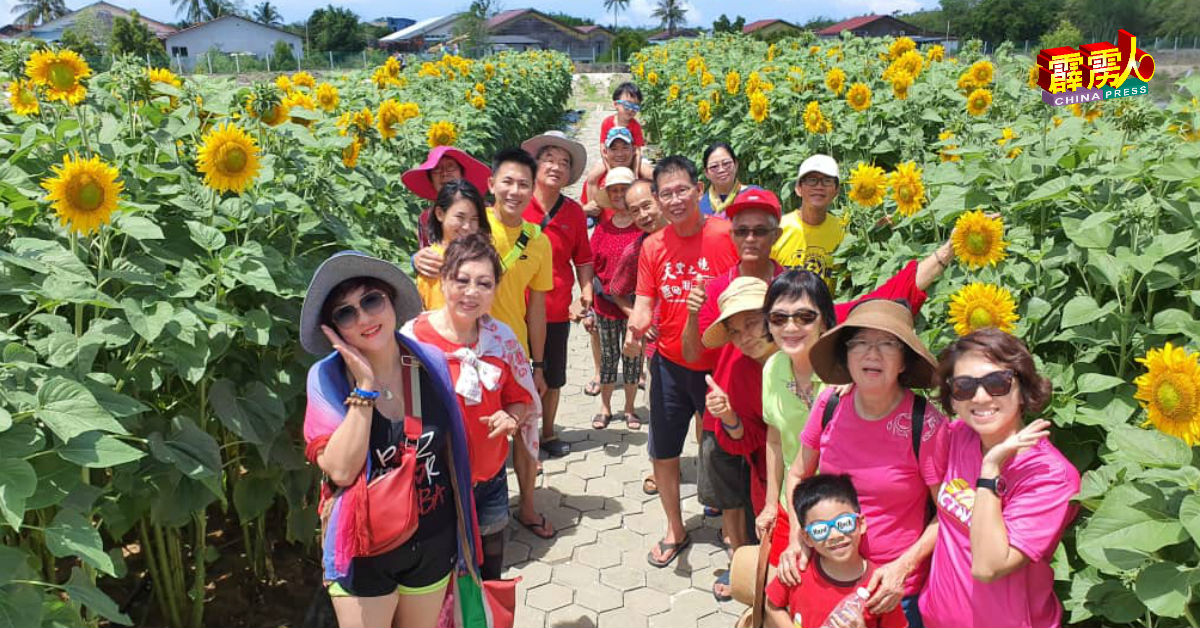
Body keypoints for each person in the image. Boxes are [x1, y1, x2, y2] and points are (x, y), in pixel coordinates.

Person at [299, 251, 479, 628]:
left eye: (371, 300)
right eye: (345, 313)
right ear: (334, 329)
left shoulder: (428, 360)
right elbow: (341, 470)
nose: (364, 318)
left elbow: (452, 453)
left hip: (433, 537)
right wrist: (364, 388)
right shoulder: (327, 379)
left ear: (390, 299)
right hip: (364, 548)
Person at [777, 299, 947, 628]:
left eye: (887, 344)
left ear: (903, 361)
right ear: (846, 356)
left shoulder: (924, 425)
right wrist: (798, 538)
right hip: (826, 574)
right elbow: (798, 471)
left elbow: (947, 512)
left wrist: (904, 567)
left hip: (890, 589)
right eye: (860, 343)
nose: (872, 354)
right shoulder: (829, 403)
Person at [415, 147, 556, 539]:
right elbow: (444, 240)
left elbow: (538, 308)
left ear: (534, 189)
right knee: (466, 432)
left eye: (523, 184)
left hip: (509, 352)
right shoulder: (476, 222)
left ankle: (525, 506)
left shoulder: (537, 240)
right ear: (491, 185)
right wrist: (418, 257)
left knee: (522, 429)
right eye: (506, 181)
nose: (514, 191)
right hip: (455, 352)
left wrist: (537, 364)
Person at [919, 329, 1080, 628]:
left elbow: (988, 567)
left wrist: (990, 470)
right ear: (953, 399)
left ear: (1023, 388)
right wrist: (854, 385)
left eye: (997, 383)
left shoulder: (1050, 476)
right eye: (964, 387)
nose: (980, 397)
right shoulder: (959, 437)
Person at [403, 234, 540, 582]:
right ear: (443, 279)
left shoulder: (502, 338)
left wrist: (511, 416)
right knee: (441, 578)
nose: (471, 291)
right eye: (461, 280)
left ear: (495, 290)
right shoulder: (413, 340)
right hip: (435, 484)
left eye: (484, 283)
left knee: (491, 572)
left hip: (490, 479)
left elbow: (521, 397)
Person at [625, 155, 739, 568]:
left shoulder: (726, 235)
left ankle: (732, 532)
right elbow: (643, 304)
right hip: (670, 366)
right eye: (666, 193)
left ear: (696, 190)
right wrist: (634, 328)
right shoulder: (653, 246)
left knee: (722, 451)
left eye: (681, 190)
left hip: (722, 367)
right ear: (656, 199)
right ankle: (675, 527)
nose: (674, 199)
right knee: (665, 450)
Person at [698, 276, 776, 601]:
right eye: (734, 330)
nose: (744, 337)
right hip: (772, 484)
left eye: (752, 323)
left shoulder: (808, 351)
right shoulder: (744, 370)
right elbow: (746, 440)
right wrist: (729, 417)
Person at [518, 131, 594, 460]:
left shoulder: (574, 213)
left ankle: (547, 433)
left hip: (555, 310)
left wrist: (586, 291)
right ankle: (515, 436)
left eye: (564, 163)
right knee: (512, 373)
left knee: (552, 376)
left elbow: (584, 259)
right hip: (513, 309)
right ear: (535, 164)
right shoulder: (517, 203)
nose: (556, 166)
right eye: (549, 158)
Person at [765, 474, 908, 628]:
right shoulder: (798, 571)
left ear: (861, 523)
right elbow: (772, 605)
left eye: (844, 523)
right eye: (820, 530)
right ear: (807, 538)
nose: (835, 535)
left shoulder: (879, 587)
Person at [586, 167, 644, 430]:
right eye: (615, 191)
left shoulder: (643, 228)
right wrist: (587, 307)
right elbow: (590, 266)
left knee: (633, 358)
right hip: (606, 305)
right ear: (608, 195)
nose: (620, 195)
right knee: (609, 358)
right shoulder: (602, 230)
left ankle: (630, 409)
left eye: (624, 190)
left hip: (637, 306)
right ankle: (606, 408)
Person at [415, 180, 491, 310]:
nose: (467, 227)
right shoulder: (431, 261)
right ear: (440, 214)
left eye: (474, 219)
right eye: (460, 217)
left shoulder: (484, 258)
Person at [771, 154, 845, 289]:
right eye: (812, 180)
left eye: (827, 181)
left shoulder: (842, 231)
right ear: (798, 189)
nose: (819, 187)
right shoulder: (778, 229)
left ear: (836, 190)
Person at [401, 146, 491, 249]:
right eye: (437, 169)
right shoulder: (425, 219)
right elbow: (426, 256)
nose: (444, 174)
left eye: (450, 167)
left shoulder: (485, 210)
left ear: (462, 174)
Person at [698, 142, 756, 217]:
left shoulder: (754, 194)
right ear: (706, 173)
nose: (721, 170)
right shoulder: (700, 206)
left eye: (726, 163)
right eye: (714, 166)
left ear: (736, 165)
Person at [599, 81, 645, 147]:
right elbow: (602, 145)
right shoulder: (607, 123)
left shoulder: (635, 126)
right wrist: (605, 156)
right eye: (627, 105)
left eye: (635, 106)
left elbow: (638, 149)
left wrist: (636, 157)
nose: (631, 109)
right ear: (616, 104)